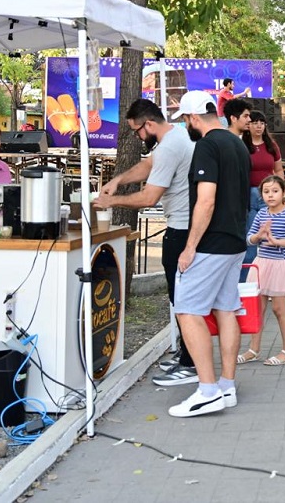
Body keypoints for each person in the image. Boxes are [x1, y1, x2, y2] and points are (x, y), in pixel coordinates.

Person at [95, 99, 197, 387]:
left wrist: (111, 201)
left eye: (137, 131)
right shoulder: (175, 136)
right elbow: (148, 165)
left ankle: (191, 362)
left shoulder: (169, 147)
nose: (138, 136)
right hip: (182, 225)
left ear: (149, 124)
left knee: (182, 298)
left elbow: (149, 197)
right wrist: (118, 180)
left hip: (181, 229)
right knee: (181, 296)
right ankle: (187, 354)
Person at [167, 91, 250, 418]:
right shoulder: (237, 143)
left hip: (211, 243)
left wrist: (189, 247)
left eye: (185, 120)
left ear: (193, 118)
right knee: (226, 309)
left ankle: (207, 390)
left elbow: (206, 200)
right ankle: (227, 385)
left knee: (187, 310)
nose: (186, 126)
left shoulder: (207, 146)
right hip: (234, 240)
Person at [237, 175, 285, 366]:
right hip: (261, 265)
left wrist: (279, 242)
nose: (270, 195)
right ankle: (254, 350)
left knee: (279, 309)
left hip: (281, 266)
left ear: (284, 193)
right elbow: (249, 238)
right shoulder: (261, 213)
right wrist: (257, 236)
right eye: (266, 191)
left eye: (275, 191)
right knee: (257, 309)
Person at [241, 110, 284, 278]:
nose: (258, 126)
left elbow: (278, 170)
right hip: (249, 196)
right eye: (255, 122)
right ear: (248, 125)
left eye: (262, 123)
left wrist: (281, 192)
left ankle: (271, 282)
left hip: (270, 197)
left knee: (272, 241)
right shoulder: (242, 145)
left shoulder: (271, 145)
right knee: (251, 243)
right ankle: (244, 284)